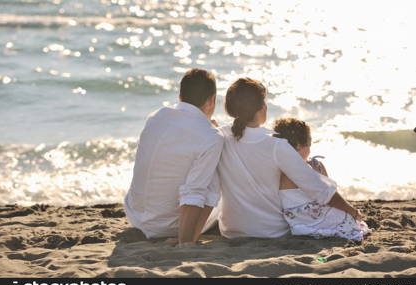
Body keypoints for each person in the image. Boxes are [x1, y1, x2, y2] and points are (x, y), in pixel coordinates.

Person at [217, 77, 363, 239]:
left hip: (230, 230)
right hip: (271, 232)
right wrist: (353, 211)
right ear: (261, 108)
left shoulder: (220, 136)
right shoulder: (275, 145)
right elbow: (319, 189)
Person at [124, 68, 224, 246]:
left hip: (136, 218)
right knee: (214, 169)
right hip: (168, 228)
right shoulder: (211, 136)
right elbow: (194, 192)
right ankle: (188, 237)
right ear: (211, 100)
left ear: (180, 96)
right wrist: (185, 242)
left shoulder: (156, 117)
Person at [274, 118, 370, 240]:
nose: (310, 147)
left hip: (296, 220)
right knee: (348, 219)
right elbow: (329, 196)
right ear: (299, 145)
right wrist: (353, 211)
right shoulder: (302, 169)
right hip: (311, 218)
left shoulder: (277, 167)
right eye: (309, 142)